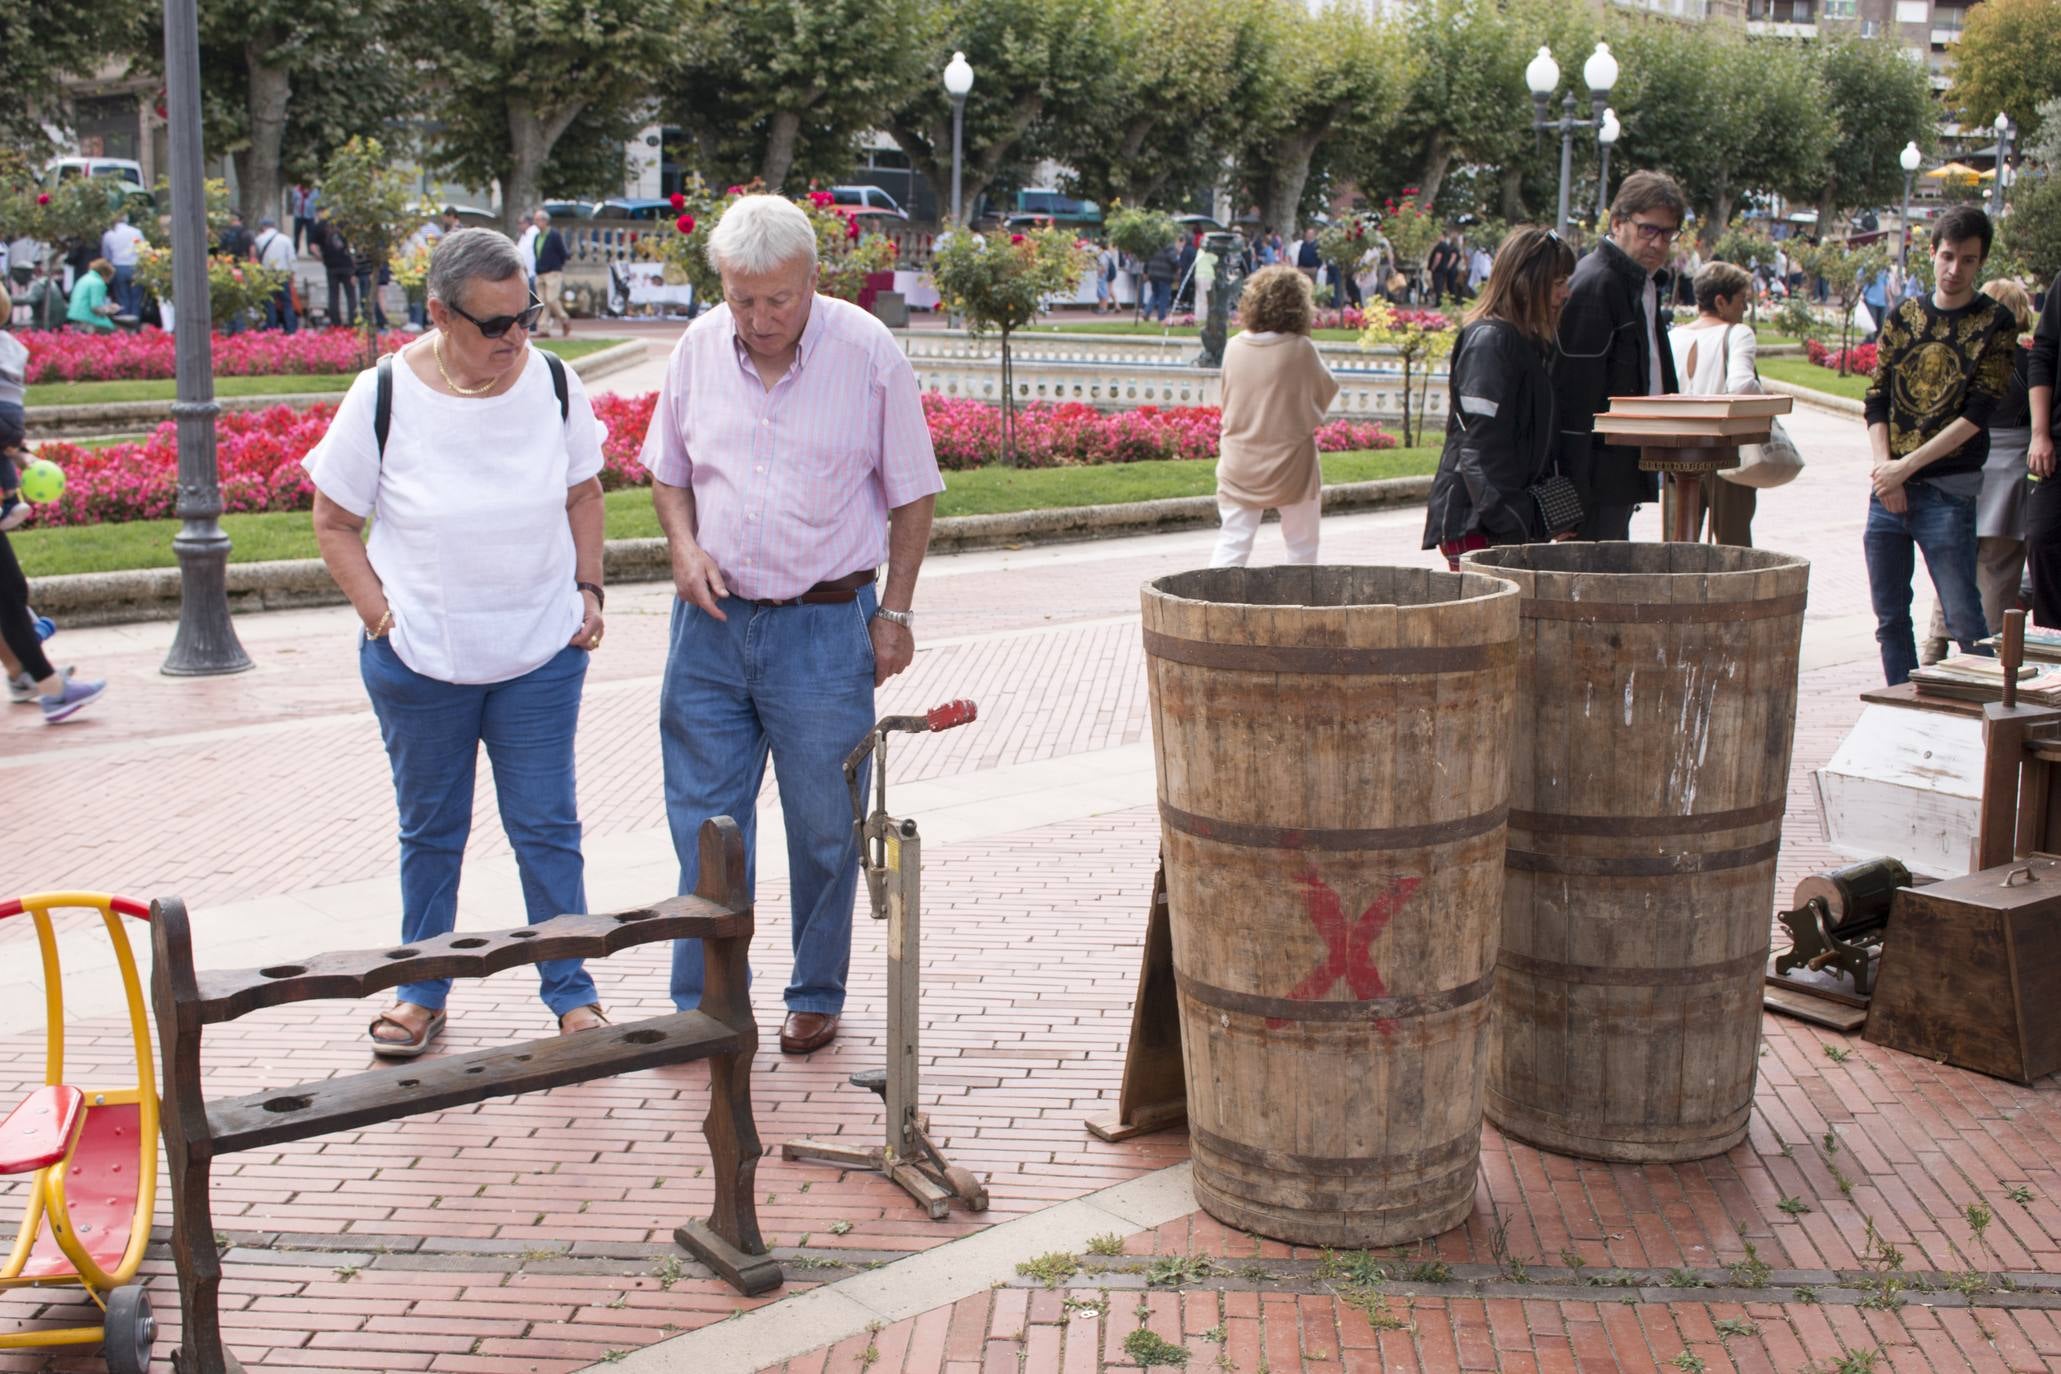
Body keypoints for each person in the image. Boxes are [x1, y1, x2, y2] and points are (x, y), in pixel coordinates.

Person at [640, 194, 944, 1056]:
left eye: (778, 299)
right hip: (709, 626)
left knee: (822, 828)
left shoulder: (867, 352)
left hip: (823, 626)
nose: (759, 318)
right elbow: (668, 473)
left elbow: (912, 491)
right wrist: (682, 546)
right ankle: (705, 999)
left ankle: (815, 991)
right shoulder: (698, 348)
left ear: (814, 279)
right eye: (741, 298)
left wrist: (895, 612)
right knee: (704, 825)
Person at [300, 228, 609, 1056]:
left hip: (538, 651)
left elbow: (584, 493)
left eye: (526, 317)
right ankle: (421, 990)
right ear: (438, 312)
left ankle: (571, 992)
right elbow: (332, 521)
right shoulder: (382, 394)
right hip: (420, 660)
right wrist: (378, 614)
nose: (515, 339)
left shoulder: (551, 381)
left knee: (546, 826)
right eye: (494, 325)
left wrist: (589, 587)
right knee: (431, 831)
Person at [1862, 204, 2020, 686]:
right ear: (1931, 253)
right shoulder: (1902, 316)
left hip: (1947, 489)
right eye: (1948, 256)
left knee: (1965, 621)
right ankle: (1901, 707)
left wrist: (1902, 469)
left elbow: (1977, 413)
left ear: (1981, 262)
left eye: (1968, 260)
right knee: (1890, 620)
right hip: (1887, 489)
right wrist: (1884, 469)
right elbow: (1876, 400)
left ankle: (1976, 724)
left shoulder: (1995, 322)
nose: (1955, 270)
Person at [1424, 227, 1579, 569]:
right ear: (1526, 284)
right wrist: (1515, 525)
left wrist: (1552, 517)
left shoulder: (1524, 342)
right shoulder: (1491, 342)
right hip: (1481, 524)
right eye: (1557, 284)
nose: (1566, 293)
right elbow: (1479, 448)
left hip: (1499, 519)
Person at [1552, 169, 1687, 540]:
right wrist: (1565, 510)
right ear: (1618, 222)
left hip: (1621, 472)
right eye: (1648, 230)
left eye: (1668, 234)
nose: (1658, 243)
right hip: (1592, 482)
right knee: (1591, 586)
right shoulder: (1597, 284)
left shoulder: (1639, 283)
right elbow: (1571, 401)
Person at [1922, 277, 2036, 658]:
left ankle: (1937, 642)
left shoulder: (1963, 357)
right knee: (1998, 571)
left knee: (1953, 562)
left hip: (1962, 465)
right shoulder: (2029, 365)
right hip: (2011, 473)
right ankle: (1983, 656)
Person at [1211, 266, 1339, 568]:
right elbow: (1324, 391)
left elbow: (1227, 397)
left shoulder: (1234, 346)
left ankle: (1211, 606)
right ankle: (1299, 610)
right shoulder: (1300, 349)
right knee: (1302, 546)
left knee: (1233, 541)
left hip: (1239, 459)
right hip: (1291, 462)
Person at [1668, 260, 1762, 546]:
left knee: (1677, 549)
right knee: (1734, 550)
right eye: (1742, 301)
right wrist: (1766, 401)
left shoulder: (1673, 336)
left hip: (1676, 454)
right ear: (1721, 301)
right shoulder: (1737, 333)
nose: (1744, 310)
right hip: (1725, 454)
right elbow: (1742, 385)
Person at [2028, 270, 2061, 627]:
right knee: (2043, 541)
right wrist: (2040, 434)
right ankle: (2054, 654)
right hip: (2057, 445)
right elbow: (2044, 354)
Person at [531, 209, 571, 338]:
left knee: (551, 298)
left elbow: (563, 252)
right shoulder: (537, 237)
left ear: (545, 221)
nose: (536, 223)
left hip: (553, 271)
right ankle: (543, 328)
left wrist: (557, 266)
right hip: (541, 272)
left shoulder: (554, 235)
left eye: (538, 220)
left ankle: (564, 318)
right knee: (542, 302)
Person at [254, 216, 298, 332]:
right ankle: (290, 328)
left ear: (263, 227)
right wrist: (292, 275)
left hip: (267, 275)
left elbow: (256, 259)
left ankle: (271, 328)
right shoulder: (285, 239)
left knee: (269, 303)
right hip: (282, 274)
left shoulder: (259, 239)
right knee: (287, 302)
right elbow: (292, 259)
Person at [314, 212, 357, 328]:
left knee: (333, 295)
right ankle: (353, 322)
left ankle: (335, 323)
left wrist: (322, 258)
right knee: (351, 296)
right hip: (347, 265)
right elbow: (354, 244)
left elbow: (313, 247)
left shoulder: (321, 225)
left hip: (331, 265)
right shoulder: (346, 223)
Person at [100, 215, 146, 319]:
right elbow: (143, 250)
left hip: (118, 267)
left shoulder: (109, 235)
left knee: (122, 297)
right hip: (135, 267)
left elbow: (106, 256)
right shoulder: (136, 232)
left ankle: (124, 326)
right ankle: (135, 322)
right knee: (136, 298)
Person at [65, 259, 116, 333]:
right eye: (109, 278)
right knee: (114, 329)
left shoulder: (85, 278)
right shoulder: (98, 283)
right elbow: (95, 307)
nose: (108, 282)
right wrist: (109, 310)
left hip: (74, 316)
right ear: (104, 274)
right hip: (87, 318)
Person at [1143, 240, 1178, 322]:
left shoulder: (1154, 248)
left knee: (1155, 294)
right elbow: (1174, 262)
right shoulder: (1170, 249)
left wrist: (1145, 272)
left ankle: (1147, 312)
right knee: (1164, 297)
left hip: (1153, 275)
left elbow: (1147, 261)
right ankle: (1161, 317)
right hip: (1165, 276)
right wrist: (1177, 269)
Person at [292, 184, 318, 255]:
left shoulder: (314, 191)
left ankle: (310, 251)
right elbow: (293, 201)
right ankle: (295, 250)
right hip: (298, 215)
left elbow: (317, 201)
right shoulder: (296, 190)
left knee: (310, 234)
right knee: (296, 234)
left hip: (310, 216)